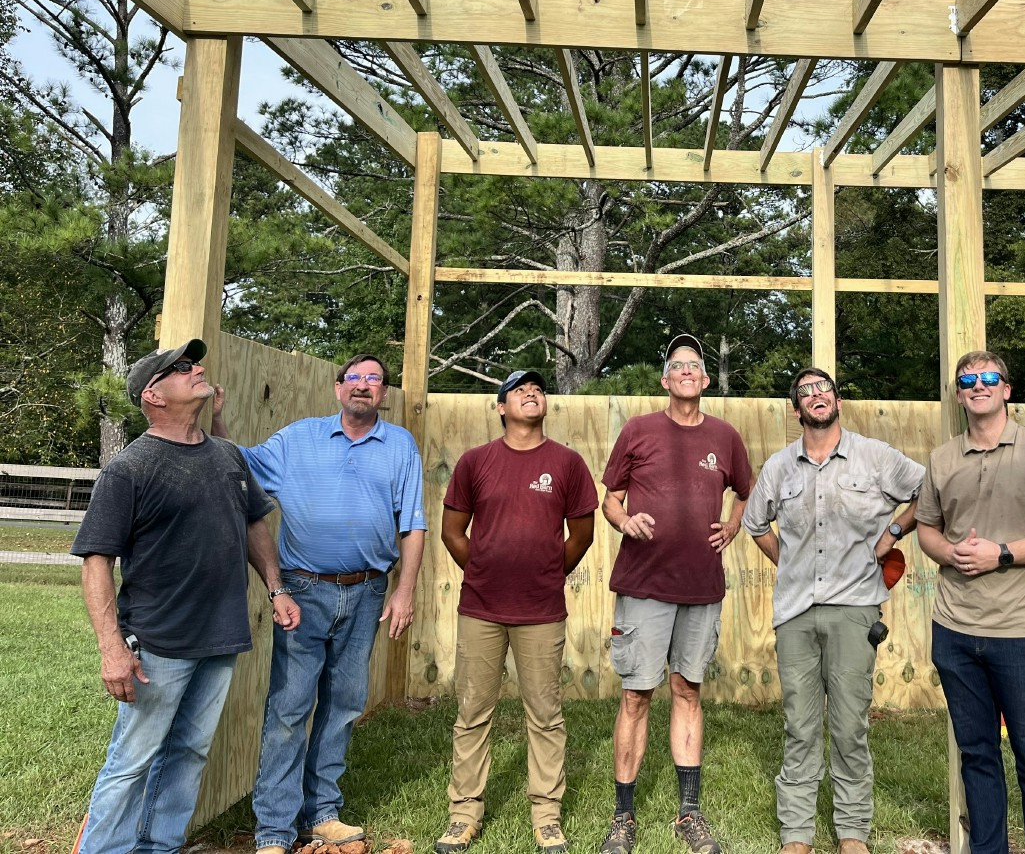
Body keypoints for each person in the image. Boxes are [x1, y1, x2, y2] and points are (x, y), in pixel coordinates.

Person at [72, 339, 300, 854]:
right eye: (180, 368)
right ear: (153, 395)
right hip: (158, 641)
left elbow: (253, 523)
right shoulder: (130, 468)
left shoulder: (225, 455)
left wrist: (276, 588)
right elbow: (96, 562)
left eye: (194, 363)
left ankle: (159, 846)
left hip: (220, 634)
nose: (197, 368)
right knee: (132, 760)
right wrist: (112, 648)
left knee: (191, 751)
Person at [214, 354, 426, 854]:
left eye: (374, 379)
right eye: (355, 378)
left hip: (370, 589)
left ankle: (322, 812)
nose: (364, 386)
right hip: (303, 592)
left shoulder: (400, 445)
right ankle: (273, 831)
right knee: (289, 708)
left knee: (345, 704)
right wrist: (219, 420)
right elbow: (239, 467)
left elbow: (412, 523)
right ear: (338, 390)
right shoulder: (298, 439)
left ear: (384, 395)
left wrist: (405, 590)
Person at [743, 368, 925, 854]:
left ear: (837, 399)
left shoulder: (874, 456)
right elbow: (754, 521)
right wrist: (789, 564)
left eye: (823, 388)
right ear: (796, 408)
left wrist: (894, 533)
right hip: (796, 613)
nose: (816, 395)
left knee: (849, 726)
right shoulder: (780, 467)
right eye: (805, 392)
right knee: (800, 727)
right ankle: (796, 835)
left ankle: (851, 833)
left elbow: (928, 492)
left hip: (855, 610)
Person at [915, 350, 1025, 854]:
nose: (978, 386)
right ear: (960, 393)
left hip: (1021, 631)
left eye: (989, 378)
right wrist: (949, 552)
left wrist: (1002, 554)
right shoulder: (942, 458)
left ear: (1006, 389)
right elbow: (927, 527)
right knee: (977, 755)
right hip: (955, 630)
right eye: (968, 380)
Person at [598, 334, 754, 854]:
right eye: (677, 365)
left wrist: (732, 528)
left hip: (701, 585)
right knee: (636, 694)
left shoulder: (726, 437)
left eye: (695, 364)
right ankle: (623, 817)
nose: (686, 370)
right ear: (665, 381)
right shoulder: (638, 430)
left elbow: (748, 495)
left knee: (688, 691)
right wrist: (625, 521)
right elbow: (610, 499)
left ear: (706, 380)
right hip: (644, 584)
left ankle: (689, 814)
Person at [434, 370, 598, 854]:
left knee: (545, 715)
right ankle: (464, 813)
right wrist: (484, 570)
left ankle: (546, 816)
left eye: (538, 389)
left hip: (542, 611)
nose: (531, 393)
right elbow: (452, 531)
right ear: (501, 407)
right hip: (481, 609)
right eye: (519, 390)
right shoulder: (475, 462)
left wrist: (547, 574)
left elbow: (582, 535)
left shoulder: (567, 463)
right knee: (472, 713)